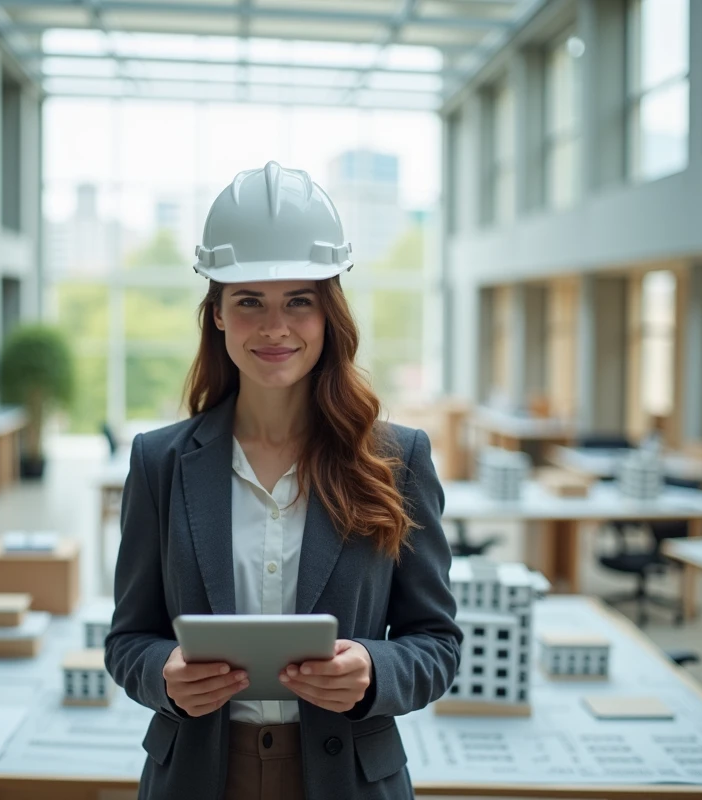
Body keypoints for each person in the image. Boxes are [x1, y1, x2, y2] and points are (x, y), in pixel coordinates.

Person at [104, 161, 462, 800]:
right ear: (216, 314)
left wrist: (374, 672)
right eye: (249, 303)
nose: (275, 328)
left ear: (329, 314)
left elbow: (436, 643)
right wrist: (162, 674)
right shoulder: (159, 462)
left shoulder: (396, 459)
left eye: (299, 301)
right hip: (199, 776)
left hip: (347, 776)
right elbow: (128, 638)